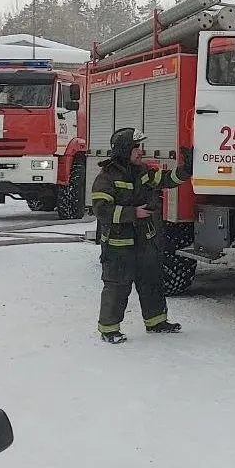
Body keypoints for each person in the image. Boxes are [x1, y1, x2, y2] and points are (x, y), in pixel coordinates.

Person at [91, 127, 194, 344]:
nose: (141, 151)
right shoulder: (106, 177)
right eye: (136, 147)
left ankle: (156, 322)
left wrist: (187, 169)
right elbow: (101, 210)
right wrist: (133, 213)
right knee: (117, 286)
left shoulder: (143, 172)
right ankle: (109, 329)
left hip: (144, 241)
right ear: (124, 149)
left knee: (151, 281)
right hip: (119, 244)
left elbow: (167, 179)